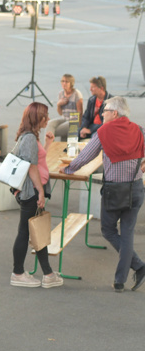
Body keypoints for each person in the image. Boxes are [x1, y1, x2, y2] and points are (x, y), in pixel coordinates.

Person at [64, 96, 145, 292]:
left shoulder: (103, 132)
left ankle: (139, 267)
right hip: (135, 189)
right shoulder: (139, 129)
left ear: (115, 113)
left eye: (105, 110)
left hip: (114, 191)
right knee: (127, 233)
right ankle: (121, 279)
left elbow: (85, 156)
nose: (102, 113)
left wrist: (68, 169)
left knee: (108, 230)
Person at [9, 103, 63, 289]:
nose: (48, 119)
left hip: (29, 190)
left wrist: (47, 145)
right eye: (45, 116)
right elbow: (32, 168)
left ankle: (48, 274)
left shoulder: (30, 137)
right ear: (37, 118)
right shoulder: (30, 138)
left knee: (36, 231)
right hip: (31, 192)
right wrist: (40, 191)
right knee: (26, 232)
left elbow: (37, 161)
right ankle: (18, 273)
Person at [46, 74, 84, 141]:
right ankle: (49, 147)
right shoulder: (61, 93)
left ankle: (49, 143)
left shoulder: (76, 94)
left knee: (53, 131)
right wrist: (59, 104)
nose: (64, 83)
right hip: (64, 118)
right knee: (50, 123)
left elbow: (80, 112)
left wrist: (79, 127)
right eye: (62, 81)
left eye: (66, 82)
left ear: (71, 83)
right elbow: (60, 113)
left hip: (74, 119)